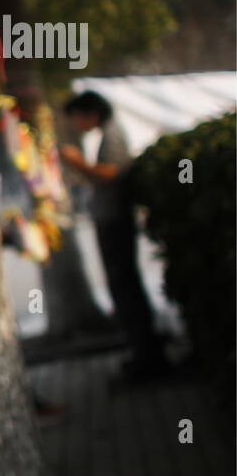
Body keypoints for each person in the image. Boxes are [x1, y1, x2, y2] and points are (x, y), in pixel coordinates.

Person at [60, 91, 168, 381]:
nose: (76, 124)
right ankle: (143, 353)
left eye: (77, 118)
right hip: (110, 219)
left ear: (90, 113)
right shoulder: (106, 133)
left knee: (124, 285)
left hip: (115, 220)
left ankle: (147, 357)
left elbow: (111, 173)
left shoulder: (113, 134)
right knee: (122, 285)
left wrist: (77, 163)